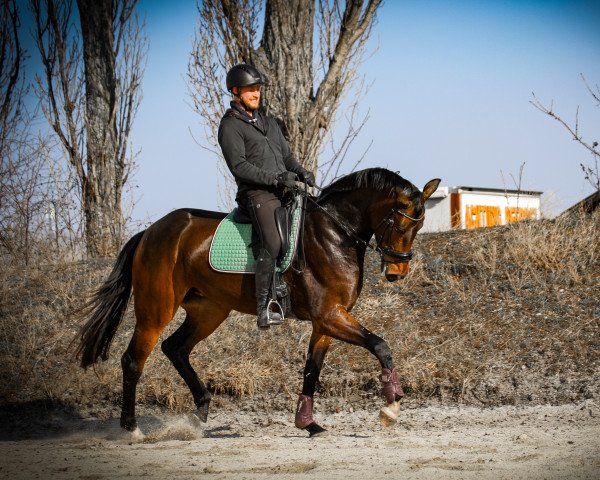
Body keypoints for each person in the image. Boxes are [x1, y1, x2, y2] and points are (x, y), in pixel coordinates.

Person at [218, 64, 315, 330]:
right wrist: (275, 179)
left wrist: (300, 172)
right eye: (250, 89)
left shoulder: (269, 123)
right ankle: (264, 307)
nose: (256, 93)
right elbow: (239, 166)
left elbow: (286, 157)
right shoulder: (230, 126)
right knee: (272, 242)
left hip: (284, 190)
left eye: (258, 89)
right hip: (256, 194)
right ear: (236, 91)